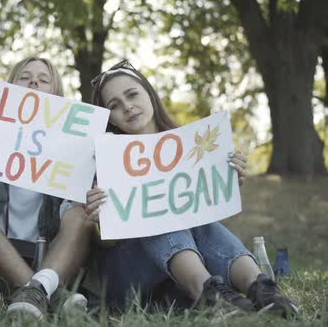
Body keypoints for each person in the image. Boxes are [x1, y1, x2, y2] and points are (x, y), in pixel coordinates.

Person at [76, 60, 299, 317]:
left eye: (132, 94)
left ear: (149, 93)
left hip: (175, 281)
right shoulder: (105, 157)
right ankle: (210, 296)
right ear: (109, 117)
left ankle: (262, 289)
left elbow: (201, 224)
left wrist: (225, 181)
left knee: (178, 212)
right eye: (114, 105)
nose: (127, 107)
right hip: (127, 280)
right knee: (156, 211)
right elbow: (106, 243)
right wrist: (99, 218)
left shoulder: (188, 145)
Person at [0, 57, 92, 319]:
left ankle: (35, 291)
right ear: (9, 89)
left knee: (81, 214)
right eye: (24, 77)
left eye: (44, 79)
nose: (34, 82)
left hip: (54, 258)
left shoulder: (74, 148)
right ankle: (44, 294)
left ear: (56, 95)